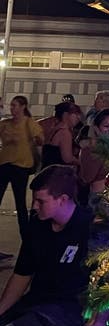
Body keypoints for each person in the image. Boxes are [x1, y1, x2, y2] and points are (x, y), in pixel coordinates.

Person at [0, 164, 92, 326]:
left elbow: (107, 279)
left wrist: (99, 318)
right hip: (37, 300)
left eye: (40, 201)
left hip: (69, 307)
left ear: (62, 200)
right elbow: (22, 275)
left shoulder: (89, 227)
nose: (34, 207)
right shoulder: (38, 225)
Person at [0, 96, 44, 240]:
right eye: (11, 106)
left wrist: (35, 140)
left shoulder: (29, 123)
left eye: (15, 105)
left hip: (21, 166)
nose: (12, 109)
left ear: (23, 107)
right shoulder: (5, 124)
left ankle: (25, 236)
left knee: (20, 202)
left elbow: (40, 139)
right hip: (5, 164)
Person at [77, 109, 109, 205]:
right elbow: (87, 177)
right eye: (107, 126)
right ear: (96, 129)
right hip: (100, 199)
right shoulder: (89, 150)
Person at [41, 101, 81, 168]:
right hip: (57, 174)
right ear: (65, 115)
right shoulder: (64, 132)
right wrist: (82, 163)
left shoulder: (54, 129)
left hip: (47, 172)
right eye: (76, 114)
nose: (79, 117)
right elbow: (68, 159)